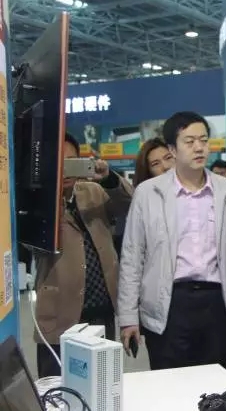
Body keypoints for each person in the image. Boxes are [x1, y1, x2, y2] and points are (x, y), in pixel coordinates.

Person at [118, 111, 226, 370]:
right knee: (168, 382)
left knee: (213, 383)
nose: (199, 147)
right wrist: (128, 316)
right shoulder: (148, 193)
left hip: (217, 302)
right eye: (189, 141)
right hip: (169, 302)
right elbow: (133, 256)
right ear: (172, 149)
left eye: (203, 140)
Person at [34, 133, 133, 378]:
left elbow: (130, 203)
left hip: (101, 311)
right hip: (59, 314)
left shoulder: (94, 191)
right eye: (58, 162)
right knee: (57, 384)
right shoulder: (38, 200)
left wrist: (109, 178)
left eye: (71, 161)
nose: (65, 169)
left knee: (102, 382)